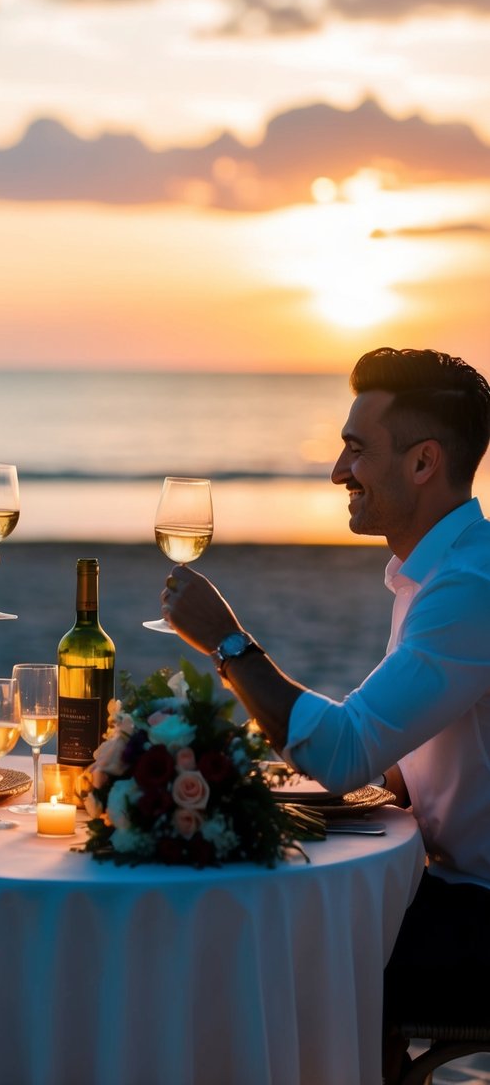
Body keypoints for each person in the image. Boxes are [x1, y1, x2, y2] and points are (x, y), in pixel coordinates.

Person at [159, 347, 490, 1083]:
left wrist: (227, 641)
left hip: (479, 913)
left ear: (422, 463)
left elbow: (344, 752)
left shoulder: (468, 587)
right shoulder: (437, 572)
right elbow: (395, 766)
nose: (338, 472)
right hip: (450, 883)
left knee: (275, 948)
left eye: (354, 449)